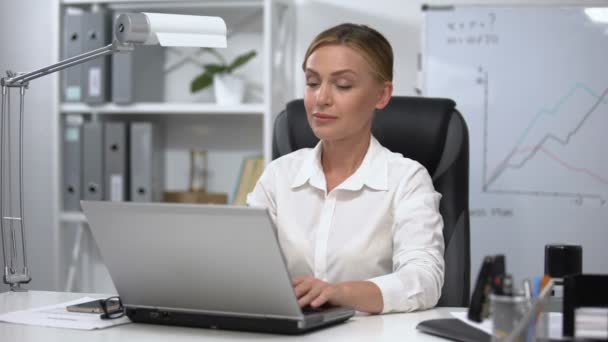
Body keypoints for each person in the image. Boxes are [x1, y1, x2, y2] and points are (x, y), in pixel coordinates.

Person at [247, 23, 444, 314]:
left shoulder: (407, 179)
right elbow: (243, 264)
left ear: (382, 95)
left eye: (343, 85)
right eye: (313, 83)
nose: (321, 98)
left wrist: (339, 293)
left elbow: (425, 280)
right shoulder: (279, 175)